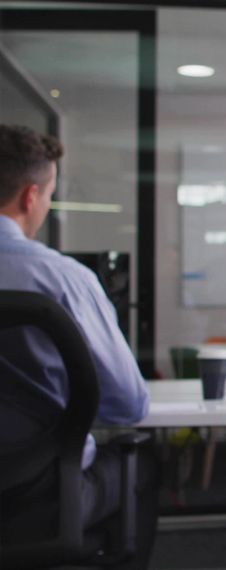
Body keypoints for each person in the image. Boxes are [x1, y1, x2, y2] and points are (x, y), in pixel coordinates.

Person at [0, 124, 156, 567]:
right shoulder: (66, 280)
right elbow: (128, 405)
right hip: (38, 497)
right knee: (141, 466)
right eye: (49, 195)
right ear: (31, 197)